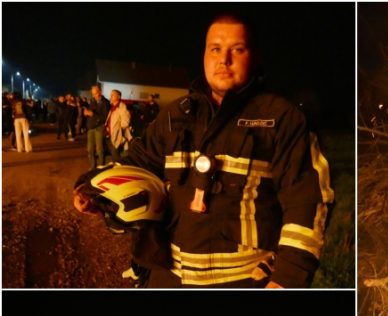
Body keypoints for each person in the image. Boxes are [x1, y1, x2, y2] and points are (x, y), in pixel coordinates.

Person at [73, 12, 335, 288]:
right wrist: (93, 193)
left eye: (237, 49)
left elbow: (307, 201)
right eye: (215, 49)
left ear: (254, 57)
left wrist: (288, 278)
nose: (224, 59)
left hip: (246, 280)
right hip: (169, 276)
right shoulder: (174, 115)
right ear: (204, 55)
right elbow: (138, 165)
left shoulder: (282, 119)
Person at [83, 83, 110, 168]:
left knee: (99, 149)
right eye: (93, 93)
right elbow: (90, 112)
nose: (94, 95)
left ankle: (101, 167)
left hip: (99, 127)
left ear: (100, 92)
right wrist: (86, 113)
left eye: (95, 93)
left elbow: (105, 117)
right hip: (91, 127)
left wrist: (93, 114)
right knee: (90, 149)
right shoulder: (92, 101)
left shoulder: (105, 103)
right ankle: (92, 166)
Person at [104, 89, 132, 162]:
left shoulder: (122, 106)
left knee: (117, 155)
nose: (111, 96)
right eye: (111, 95)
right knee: (114, 154)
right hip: (110, 135)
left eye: (113, 95)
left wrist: (119, 132)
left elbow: (125, 122)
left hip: (117, 136)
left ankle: (120, 168)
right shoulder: (112, 107)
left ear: (118, 96)